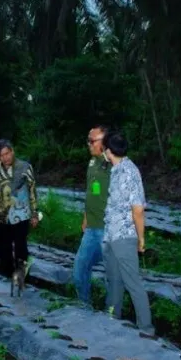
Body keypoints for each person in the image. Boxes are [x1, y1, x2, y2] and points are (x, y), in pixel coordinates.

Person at [101, 131, 154, 334]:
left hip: (124, 236)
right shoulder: (116, 170)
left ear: (108, 150)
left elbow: (137, 209)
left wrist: (141, 238)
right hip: (111, 235)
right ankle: (112, 318)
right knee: (114, 281)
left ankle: (146, 330)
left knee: (133, 283)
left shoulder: (130, 171)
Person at [0, 139, 39, 294]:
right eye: (2, 155)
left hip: (21, 214)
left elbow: (32, 191)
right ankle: (8, 275)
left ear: (12, 151)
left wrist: (35, 212)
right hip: (0, 216)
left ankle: (22, 278)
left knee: (21, 246)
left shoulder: (24, 168)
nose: (6, 157)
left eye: (8, 153)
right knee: (3, 248)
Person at [73, 125, 111, 305]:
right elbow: (91, 191)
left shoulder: (114, 164)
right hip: (91, 229)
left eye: (92, 141)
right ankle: (84, 308)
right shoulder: (92, 163)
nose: (88, 144)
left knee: (112, 277)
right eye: (88, 140)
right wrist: (85, 218)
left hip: (108, 230)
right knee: (80, 270)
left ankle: (112, 318)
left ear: (105, 142)